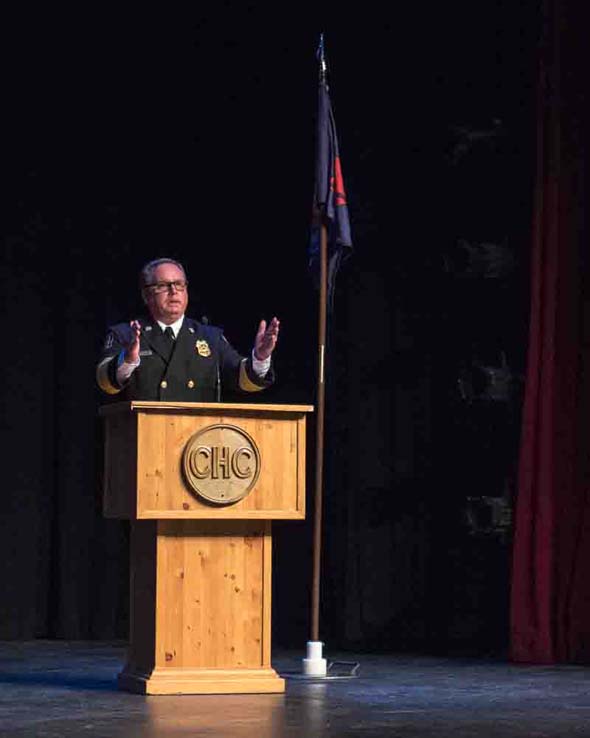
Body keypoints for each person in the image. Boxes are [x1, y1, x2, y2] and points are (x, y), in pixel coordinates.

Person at [96, 257, 280, 401]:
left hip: (198, 441)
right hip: (145, 440)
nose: (173, 291)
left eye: (179, 284)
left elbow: (242, 379)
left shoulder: (210, 337)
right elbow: (105, 383)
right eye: (163, 286)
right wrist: (127, 360)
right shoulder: (126, 334)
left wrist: (260, 357)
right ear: (146, 295)